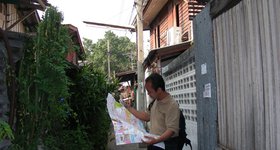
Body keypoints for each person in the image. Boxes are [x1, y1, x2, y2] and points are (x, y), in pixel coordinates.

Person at [122, 73, 180, 150]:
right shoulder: (155, 101)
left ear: (159, 90)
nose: (148, 94)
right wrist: (129, 108)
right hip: (154, 143)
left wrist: (155, 140)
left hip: (164, 145)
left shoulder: (172, 105)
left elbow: (171, 130)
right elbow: (147, 116)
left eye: (149, 91)